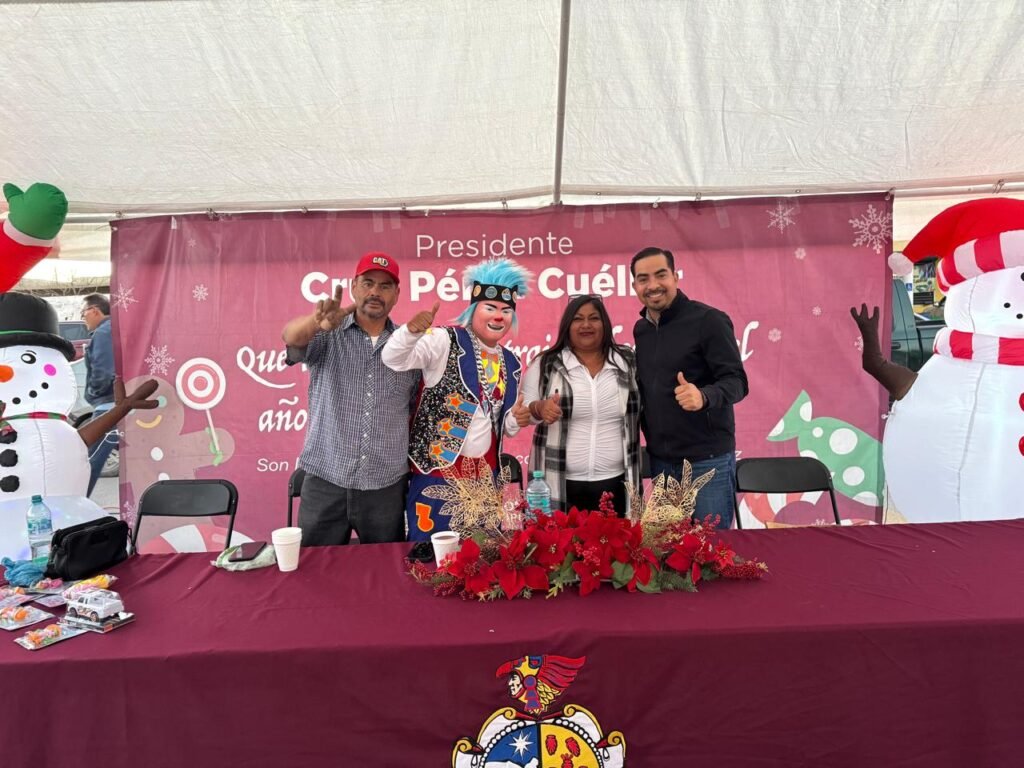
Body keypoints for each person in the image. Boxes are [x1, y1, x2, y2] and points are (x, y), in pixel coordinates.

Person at [382, 257, 532, 541]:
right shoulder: (444, 340)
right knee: (430, 557)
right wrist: (411, 332)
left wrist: (517, 418)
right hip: (437, 474)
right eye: (490, 308)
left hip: (486, 478)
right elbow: (393, 358)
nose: (498, 317)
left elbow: (500, 423)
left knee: (482, 556)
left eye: (506, 310)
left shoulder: (511, 362)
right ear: (474, 309)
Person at [282, 252, 420, 546]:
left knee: (385, 568)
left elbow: (413, 408)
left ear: (397, 294)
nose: (375, 292)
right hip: (325, 478)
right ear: (354, 287)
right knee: (315, 567)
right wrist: (316, 323)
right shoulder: (326, 334)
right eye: (368, 283)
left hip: (385, 485)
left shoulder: (409, 346)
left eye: (385, 286)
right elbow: (291, 338)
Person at [631, 247, 748, 528]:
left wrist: (704, 396)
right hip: (662, 461)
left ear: (676, 277)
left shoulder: (709, 320)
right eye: (643, 279)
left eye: (661, 275)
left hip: (707, 461)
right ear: (635, 286)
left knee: (712, 546)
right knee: (669, 548)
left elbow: (737, 381)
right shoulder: (642, 330)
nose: (653, 285)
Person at [519, 295, 640, 515]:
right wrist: (540, 408)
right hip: (558, 484)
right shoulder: (546, 363)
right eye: (577, 319)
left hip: (617, 483)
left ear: (605, 324)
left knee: (616, 538)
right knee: (558, 538)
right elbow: (525, 410)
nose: (586, 325)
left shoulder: (627, 361)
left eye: (594, 318)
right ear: (567, 326)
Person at [81, 294, 116, 496]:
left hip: (108, 405)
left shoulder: (104, 332)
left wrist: (94, 391)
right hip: (116, 403)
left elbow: (104, 369)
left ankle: (77, 504)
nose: (83, 318)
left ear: (95, 310)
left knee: (89, 461)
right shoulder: (113, 329)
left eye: (83, 313)